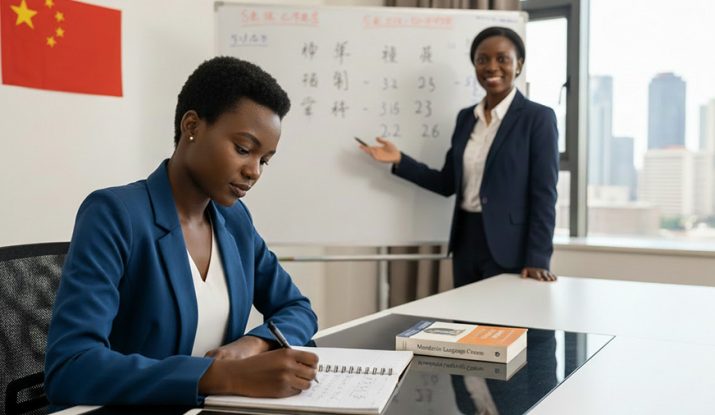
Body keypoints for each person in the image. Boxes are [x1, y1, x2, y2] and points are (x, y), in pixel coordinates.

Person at [44, 57, 319, 406]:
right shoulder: (115, 214)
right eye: (243, 149)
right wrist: (223, 376)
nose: (253, 172)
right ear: (192, 126)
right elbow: (70, 368)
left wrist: (255, 343)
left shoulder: (235, 222)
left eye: (264, 160)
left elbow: (297, 308)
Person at [359, 27, 558, 287]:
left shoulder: (538, 118)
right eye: (482, 59)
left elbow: (544, 194)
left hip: (511, 248)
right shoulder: (466, 118)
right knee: (464, 325)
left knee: (504, 326)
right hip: (466, 241)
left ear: (518, 65)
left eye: (502, 58)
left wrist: (538, 258)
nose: (491, 66)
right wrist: (399, 160)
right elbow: (447, 183)